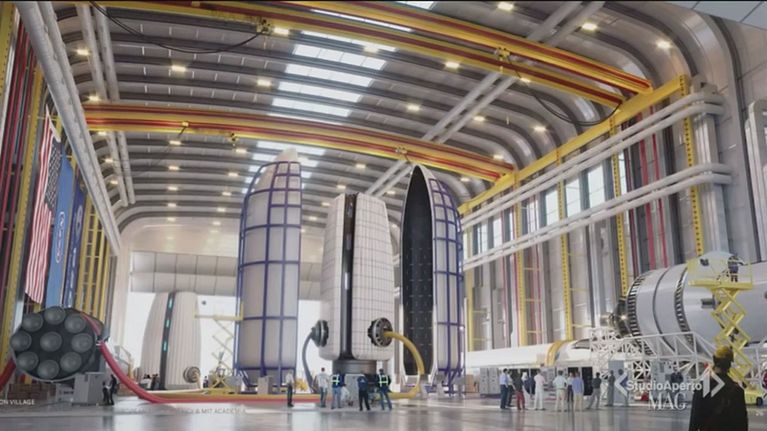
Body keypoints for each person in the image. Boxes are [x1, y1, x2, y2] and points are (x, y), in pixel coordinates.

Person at [688, 346, 748, 431]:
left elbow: (694, 419)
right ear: (729, 365)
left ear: (714, 361)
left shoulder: (703, 387)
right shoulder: (737, 391)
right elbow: (742, 424)